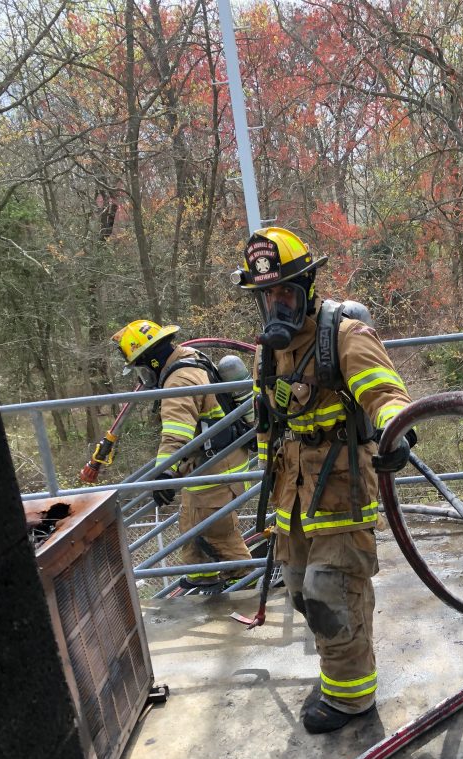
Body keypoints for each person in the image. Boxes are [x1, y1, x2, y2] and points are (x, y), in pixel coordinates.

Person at [232, 226, 414, 733]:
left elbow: (386, 394)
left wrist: (394, 428)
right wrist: (268, 493)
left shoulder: (346, 337)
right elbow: (270, 427)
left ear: (308, 288)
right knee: (300, 592)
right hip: (291, 498)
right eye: (267, 296)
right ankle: (338, 673)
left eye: (286, 292)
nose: (277, 305)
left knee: (332, 590)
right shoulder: (267, 354)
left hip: (341, 489)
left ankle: (352, 700)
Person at [112, 319, 252, 591]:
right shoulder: (190, 359)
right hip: (208, 467)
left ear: (152, 362)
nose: (145, 377)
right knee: (191, 528)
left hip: (216, 473)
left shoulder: (178, 381)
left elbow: (176, 434)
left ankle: (246, 590)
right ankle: (200, 584)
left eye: (142, 369)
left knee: (219, 538)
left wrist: (164, 474)